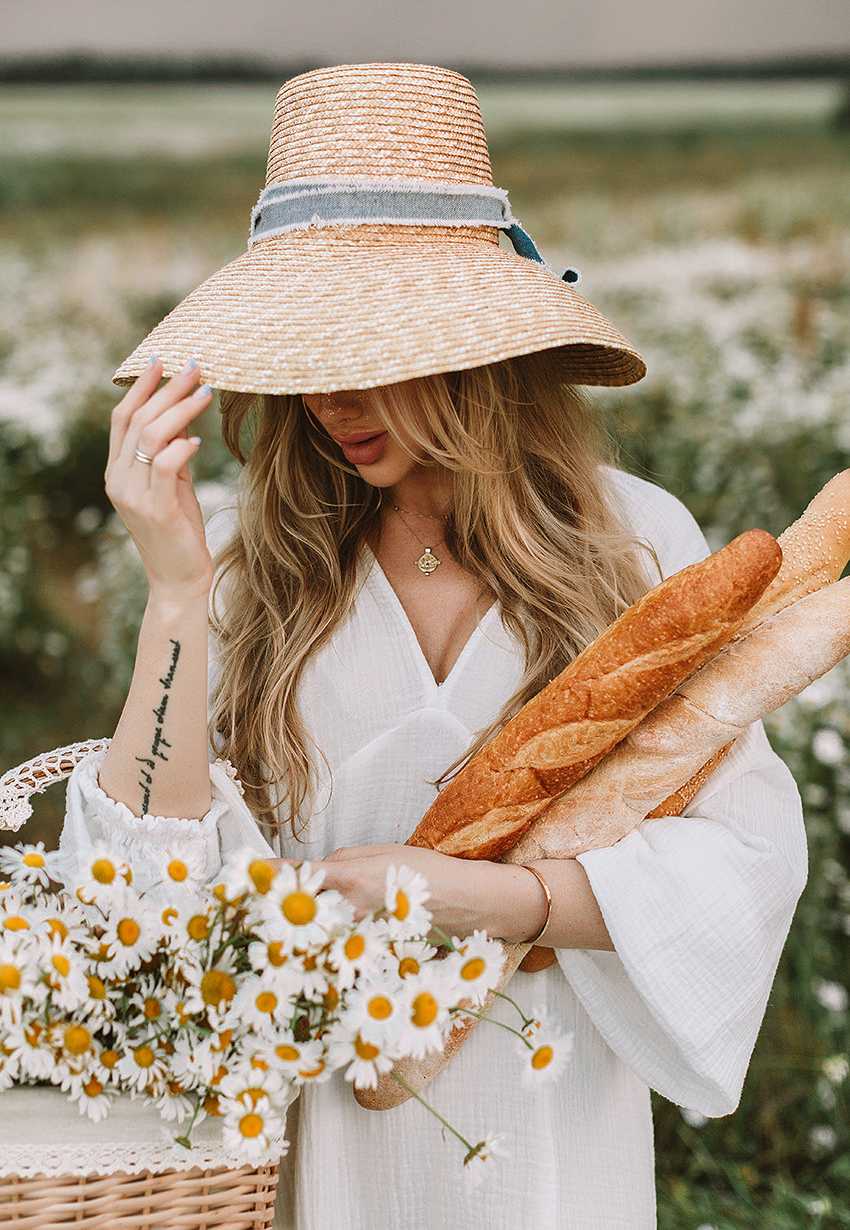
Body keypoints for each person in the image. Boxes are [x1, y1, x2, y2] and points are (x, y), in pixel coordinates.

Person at [59, 64, 807, 1229]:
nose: (331, 401)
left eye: (380, 352)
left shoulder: (629, 543)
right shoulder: (235, 559)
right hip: (309, 1147)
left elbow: (744, 857)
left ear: (478, 347)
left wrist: (487, 897)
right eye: (310, 356)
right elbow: (143, 901)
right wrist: (169, 593)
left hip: (554, 1125)